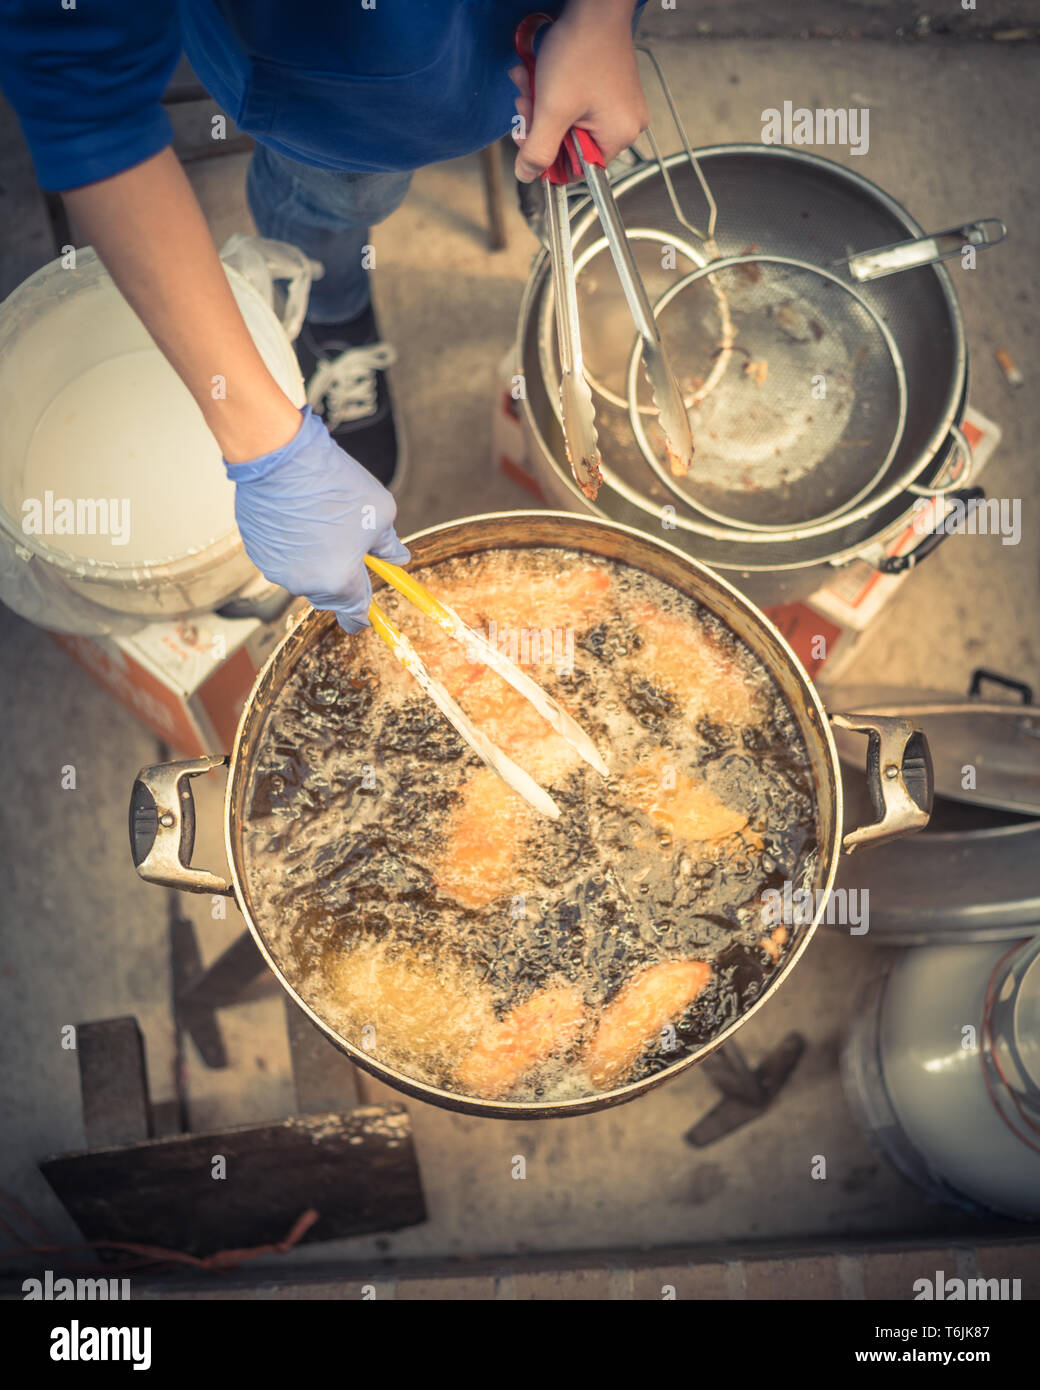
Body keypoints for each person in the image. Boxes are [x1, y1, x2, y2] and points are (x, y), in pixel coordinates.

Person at [0, 1, 649, 631]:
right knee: (332, 203)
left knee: (551, 137)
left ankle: (543, 163)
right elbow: (82, 92)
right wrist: (270, 452)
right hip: (331, 89)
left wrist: (602, 16)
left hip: (544, 42)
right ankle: (335, 316)